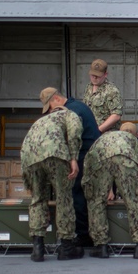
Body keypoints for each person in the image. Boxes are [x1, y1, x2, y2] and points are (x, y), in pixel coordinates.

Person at [21, 88, 84, 262]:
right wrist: (73, 159)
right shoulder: (70, 115)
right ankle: (66, 247)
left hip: (30, 158)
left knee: (38, 198)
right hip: (55, 154)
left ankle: (37, 249)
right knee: (64, 198)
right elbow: (74, 134)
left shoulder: (40, 122)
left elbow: (26, 146)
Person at [83, 121, 138, 260]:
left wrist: (105, 189)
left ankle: (101, 247)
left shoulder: (104, 137)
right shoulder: (135, 141)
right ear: (136, 135)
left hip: (100, 158)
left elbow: (90, 162)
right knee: (135, 201)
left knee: (96, 202)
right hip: (126, 159)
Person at [50, 89, 102, 246]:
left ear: (57, 99)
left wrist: (72, 160)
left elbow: (73, 138)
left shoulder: (72, 111)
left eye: (51, 106)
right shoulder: (79, 105)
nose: (52, 112)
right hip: (91, 153)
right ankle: (95, 235)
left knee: (76, 193)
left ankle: (82, 235)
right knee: (90, 194)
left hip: (82, 155)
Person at [83, 59, 122, 133]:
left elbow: (116, 115)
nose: (94, 78)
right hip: (90, 132)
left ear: (105, 74)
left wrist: (98, 130)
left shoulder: (112, 90)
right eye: (92, 75)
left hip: (107, 135)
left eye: (98, 76)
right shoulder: (88, 87)